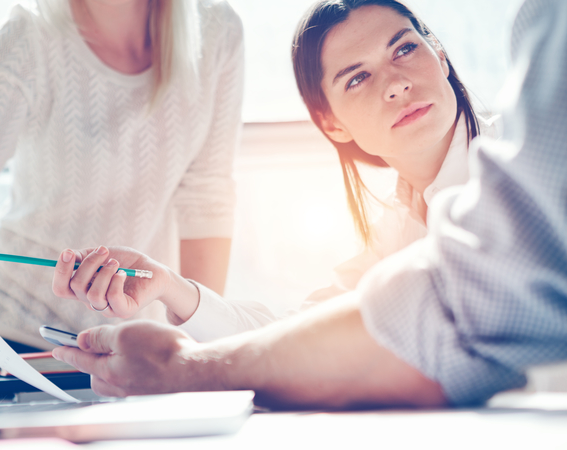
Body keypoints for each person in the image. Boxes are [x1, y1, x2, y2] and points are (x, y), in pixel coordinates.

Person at [50, 0, 567, 408]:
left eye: (405, 49)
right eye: (358, 77)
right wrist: (170, 286)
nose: (396, 83)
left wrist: (185, 366)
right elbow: (291, 337)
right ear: (332, 124)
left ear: (442, 56)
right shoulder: (395, 231)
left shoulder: (530, 172)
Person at [0, 0, 244, 399]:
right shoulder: (29, 34)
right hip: (15, 342)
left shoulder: (218, 30)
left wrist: (199, 345)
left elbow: (207, 199)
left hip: (133, 347)